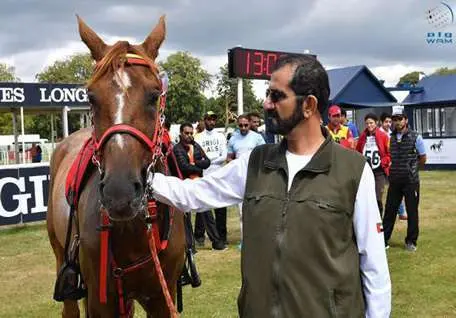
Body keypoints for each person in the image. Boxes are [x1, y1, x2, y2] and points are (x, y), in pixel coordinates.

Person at [150, 55, 391, 317]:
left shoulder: (353, 171)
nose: (266, 104)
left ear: (309, 105)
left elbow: (374, 267)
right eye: (268, 94)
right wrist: (142, 180)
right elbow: (193, 194)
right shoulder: (255, 163)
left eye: (277, 96)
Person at [173, 123, 225, 251]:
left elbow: (207, 162)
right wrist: (198, 166)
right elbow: (183, 167)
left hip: (198, 182)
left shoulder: (196, 145)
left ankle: (216, 242)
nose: (189, 136)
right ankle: (190, 246)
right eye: (186, 133)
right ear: (181, 133)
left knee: (206, 212)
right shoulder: (177, 149)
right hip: (184, 184)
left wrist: (195, 163)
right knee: (186, 216)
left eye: (191, 133)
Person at [383, 108, 427, 252]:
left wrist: (412, 170)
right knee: (390, 211)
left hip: (410, 181)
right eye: (395, 119)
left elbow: (423, 158)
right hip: (395, 179)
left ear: (406, 120)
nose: (397, 122)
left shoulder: (416, 137)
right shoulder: (392, 137)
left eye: (400, 119)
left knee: (412, 212)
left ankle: (411, 241)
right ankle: (383, 240)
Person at [227, 114, 265, 249]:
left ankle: (259, 238)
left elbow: (265, 156)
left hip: (255, 177)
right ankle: (245, 240)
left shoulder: (257, 138)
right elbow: (229, 157)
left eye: (246, 125)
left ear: (250, 124)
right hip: (239, 179)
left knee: (257, 209)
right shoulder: (233, 139)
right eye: (240, 125)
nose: (243, 128)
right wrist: (235, 164)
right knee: (242, 212)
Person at [194, 111, 228, 248]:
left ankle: (222, 236)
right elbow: (198, 158)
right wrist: (209, 161)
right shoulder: (198, 137)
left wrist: (208, 160)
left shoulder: (220, 136)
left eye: (214, 119)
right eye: (209, 119)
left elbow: (224, 156)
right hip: (204, 175)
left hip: (219, 175)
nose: (211, 122)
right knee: (202, 206)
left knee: (220, 206)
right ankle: (199, 236)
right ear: (205, 120)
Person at [356, 113, 391, 217]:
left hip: (379, 171)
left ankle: (379, 220)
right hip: (366, 170)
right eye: (367, 123)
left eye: (371, 123)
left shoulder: (383, 136)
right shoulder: (363, 136)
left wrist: (384, 161)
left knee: (378, 197)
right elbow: (358, 151)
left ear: (376, 123)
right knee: (366, 197)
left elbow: (389, 153)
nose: (369, 125)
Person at [380, 112, 408, 220]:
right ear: (381, 122)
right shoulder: (380, 134)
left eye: (390, 122)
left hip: (392, 166)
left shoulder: (391, 133)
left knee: (394, 188)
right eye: (386, 122)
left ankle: (401, 211)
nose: (388, 124)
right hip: (383, 166)